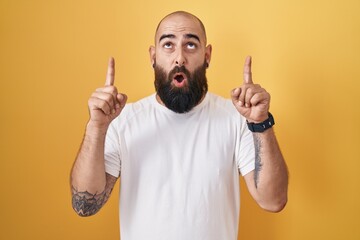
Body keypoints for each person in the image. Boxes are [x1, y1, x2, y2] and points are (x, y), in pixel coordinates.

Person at [70, 11, 288, 240]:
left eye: (191, 45)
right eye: (168, 44)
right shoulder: (122, 121)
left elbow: (273, 200)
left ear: (207, 55)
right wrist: (96, 127)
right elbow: (84, 205)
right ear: (153, 56)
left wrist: (261, 122)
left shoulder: (237, 119)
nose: (179, 58)